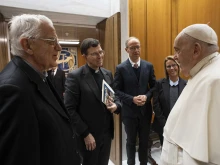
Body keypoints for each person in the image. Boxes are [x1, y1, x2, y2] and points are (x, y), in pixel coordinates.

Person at [0, 14, 80, 165]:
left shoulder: (39, 74)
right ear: (28, 45)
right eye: (51, 41)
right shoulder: (13, 89)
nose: (59, 47)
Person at [160, 24, 220, 165]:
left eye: (177, 50)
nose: (175, 57)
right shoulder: (200, 72)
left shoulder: (215, 81)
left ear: (196, 50)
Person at [64, 38, 122, 165]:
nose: (99, 56)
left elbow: (116, 96)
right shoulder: (75, 77)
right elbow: (69, 109)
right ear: (84, 56)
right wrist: (85, 134)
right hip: (89, 136)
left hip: (107, 134)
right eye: (94, 54)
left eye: (101, 52)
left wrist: (116, 106)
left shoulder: (107, 74)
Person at [113, 37, 156, 165]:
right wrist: (132, 99)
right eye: (132, 48)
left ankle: (143, 163)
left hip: (145, 112)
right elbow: (116, 90)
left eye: (138, 47)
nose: (136, 50)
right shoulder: (121, 68)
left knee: (144, 141)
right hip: (129, 113)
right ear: (127, 50)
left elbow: (154, 87)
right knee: (131, 142)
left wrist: (147, 97)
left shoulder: (148, 66)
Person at [153, 55, 186, 146]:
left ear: (178, 66)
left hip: (181, 125)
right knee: (165, 151)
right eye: (168, 66)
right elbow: (156, 105)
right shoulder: (159, 84)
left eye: (174, 65)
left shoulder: (186, 84)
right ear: (166, 69)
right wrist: (165, 124)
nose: (172, 68)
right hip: (164, 125)